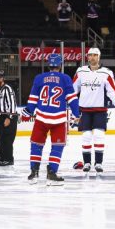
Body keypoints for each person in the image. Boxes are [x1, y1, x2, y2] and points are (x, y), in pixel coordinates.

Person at [22, 54, 79, 185]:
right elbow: (72, 99)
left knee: (36, 145)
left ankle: (34, 173)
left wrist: (27, 111)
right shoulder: (65, 78)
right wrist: (77, 114)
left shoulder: (39, 78)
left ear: (49, 65)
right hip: (58, 120)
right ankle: (51, 173)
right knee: (57, 147)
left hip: (41, 117)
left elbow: (33, 99)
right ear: (60, 65)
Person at [73, 48, 115, 174]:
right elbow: (73, 88)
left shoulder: (106, 73)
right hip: (84, 110)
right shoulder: (80, 71)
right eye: (90, 55)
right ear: (87, 57)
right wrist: (69, 102)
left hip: (100, 109)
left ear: (99, 57)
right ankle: (86, 163)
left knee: (98, 135)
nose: (92, 57)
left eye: (95, 55)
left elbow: (112, 90)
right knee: (86, 136)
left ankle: (98, 163)